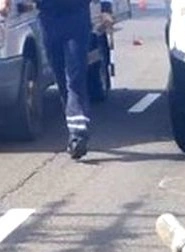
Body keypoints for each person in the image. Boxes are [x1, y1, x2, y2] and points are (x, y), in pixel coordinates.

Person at [0, 0, 113, 158]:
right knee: (60, 76)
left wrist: (106, 9)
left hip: (77, 18)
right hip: (49, 20)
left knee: (75, 77)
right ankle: (74, 124)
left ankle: (78, 134)